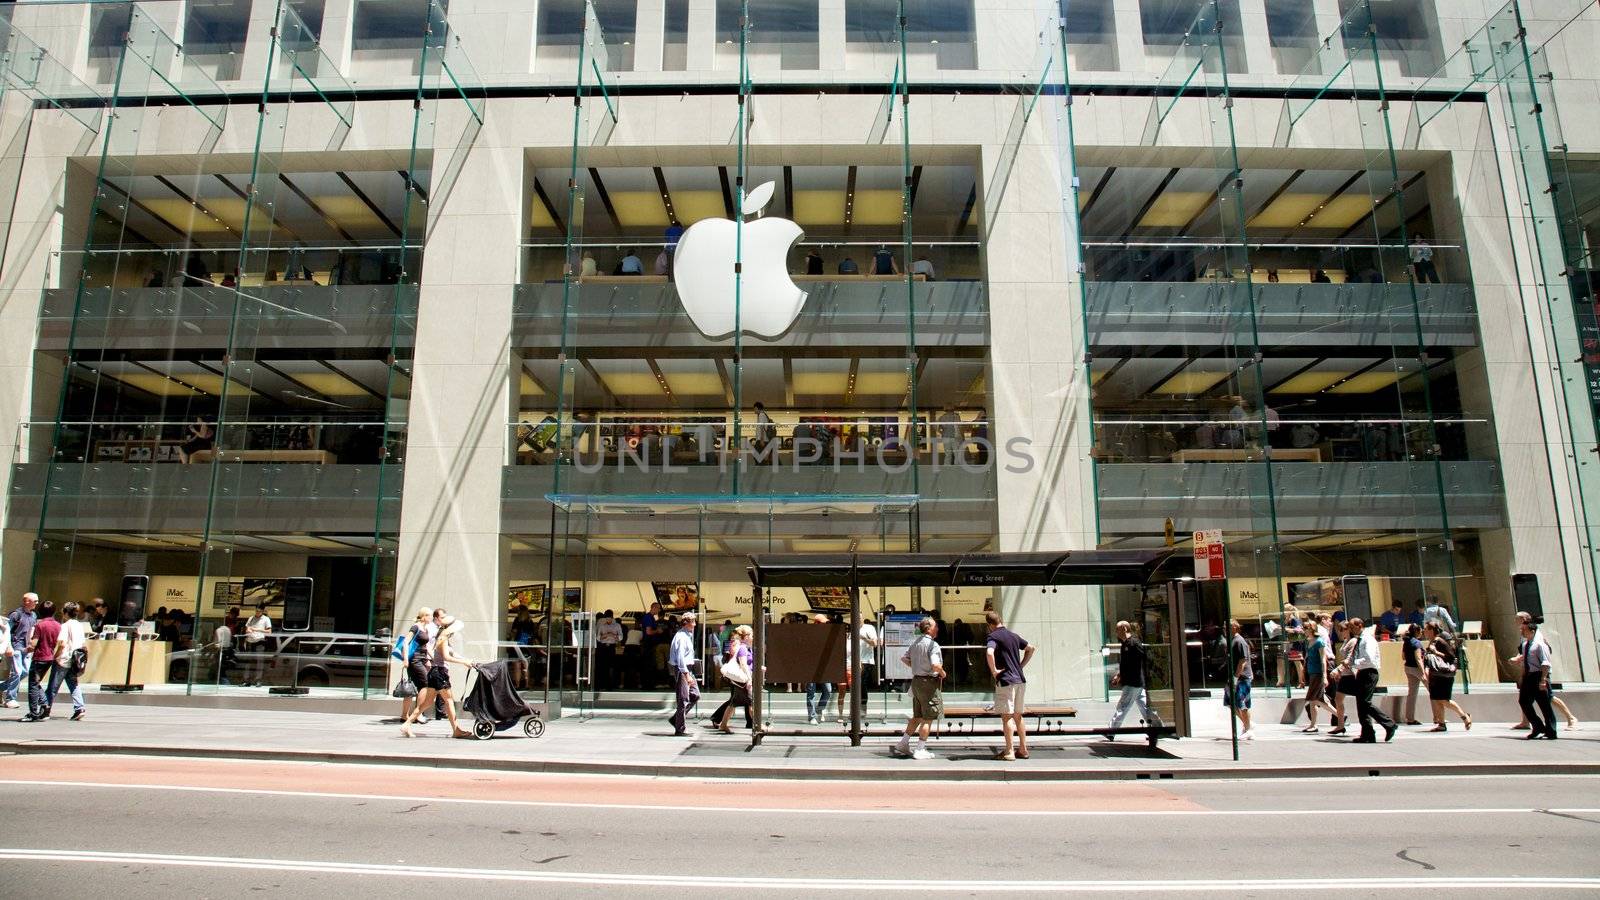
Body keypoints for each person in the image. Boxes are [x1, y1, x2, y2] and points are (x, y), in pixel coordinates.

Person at [399, 609, 472, 739]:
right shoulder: (443, 638)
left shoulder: (442, 637)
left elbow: (451, 653)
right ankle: (456, 730)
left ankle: (407, 723)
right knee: (449, 700)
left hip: (435, 672)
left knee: (427, 703)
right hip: (439, 673)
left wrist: (465, 660)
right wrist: (463, 663)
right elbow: (446, 657)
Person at [1334, 618, 1396, 743]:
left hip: (1369, 672)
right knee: (1361, 704)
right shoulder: (1359, 640)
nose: (1350, 630)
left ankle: (1389, 724)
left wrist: (1354, 662)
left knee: (1365, 703)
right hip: (1362, 672)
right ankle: (1368, 734)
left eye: (1352, 627)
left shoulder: (1367, 640)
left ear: (1359, 625)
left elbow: (1369, 658)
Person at [892, 617, 944, 760]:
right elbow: (935, 665)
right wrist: (942, 672)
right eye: (935, 626)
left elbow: (904, 658)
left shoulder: (915, 643)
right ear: (929, 628)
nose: (937, 628)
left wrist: (915, 667)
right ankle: (920, 748)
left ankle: (903, 743)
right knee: (928, 718)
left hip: (916, 681)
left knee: (917, 716)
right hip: (928, 683)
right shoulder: (933, 645)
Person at [983, 611, 1033, 761]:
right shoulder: (1013, 635)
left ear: (989, 625)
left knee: (1007, 717)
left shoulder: (993, 636)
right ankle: (1023, 749)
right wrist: (1020, 665)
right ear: (1000, 620)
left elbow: (989, 652)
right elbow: (1031, 648)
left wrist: (994, 671)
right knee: (1018, 716)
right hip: (1020, 680)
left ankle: (1009, 751)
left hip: (1006, 680)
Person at [1107, 620, 1155, 740]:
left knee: (1122, 707)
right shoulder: (1125, 644)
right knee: (1145, 708)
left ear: (1124, 628)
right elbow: (1125, 664)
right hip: (1136, 682)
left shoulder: (1134, 643)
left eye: (1117, 629)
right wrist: (1119, 676)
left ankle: (1111, 731)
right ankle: (1158, 728)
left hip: (1133, 682)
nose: (1116, 632)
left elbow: (1143, 659)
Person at [1512, 615, 1556, 740]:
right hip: (1529, 676)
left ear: (1532, 631)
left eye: (1524, 630)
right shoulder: (1526, 645)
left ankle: (1551, 730)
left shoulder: (1540, 645)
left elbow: (1546, 663)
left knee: (1544, 704)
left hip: (1539, 675)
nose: (1522, 632)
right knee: (1524, 701)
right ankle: (1538, 726)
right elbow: (1525, 662)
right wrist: (1523, 676)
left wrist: (1543, 680)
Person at [1421, 622, 1470, 732]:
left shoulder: (1439, 641)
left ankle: (1464, 716)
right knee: (1437, 700)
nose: (1424, 631)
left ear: (1432, 630)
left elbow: (1451, 657)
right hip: (1435, 675)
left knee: (1444, 700)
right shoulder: (1432, 641)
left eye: (1426, 629)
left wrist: (1436, 652)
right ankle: (1441, 724)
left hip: (1443, 675)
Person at [46, 602, 87, 721]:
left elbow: (62, 644)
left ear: (65, 612)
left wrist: (55, 657)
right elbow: (83, 644)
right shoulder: (80, 625)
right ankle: (79, 708)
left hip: (63, 659)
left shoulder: (64, 626)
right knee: (73, 684)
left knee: (52, 687)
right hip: (75, 660)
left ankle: (46, 708)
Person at [710, 625, 754, 733]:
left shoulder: (745, 647)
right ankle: (758, 725)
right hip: (742, 680)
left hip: (741, 680)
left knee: (733, 703)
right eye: (751, 635)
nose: (753, 637)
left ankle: (723, 724)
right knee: (751, 703)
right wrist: (749, 679)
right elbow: (743, 664)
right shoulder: (742, 647)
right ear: (747, 636)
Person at [23, 600, 60, 721]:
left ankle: (34, 713)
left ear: (40, 611)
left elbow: (34, 643)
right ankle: (44, 705)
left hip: (39, 657)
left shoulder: (40, 625)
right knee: (36, 683)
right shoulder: (57, 625)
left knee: (33, 685)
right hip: (50, 657)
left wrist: (27, 648)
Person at [1298, 622, 1336, 733]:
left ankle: (1339, 715)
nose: (1304, 630)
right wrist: (1303, 672)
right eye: (1303, 628)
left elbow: (1323, 660)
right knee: (1314, 701)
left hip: (1318, 673)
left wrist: (1324, 676)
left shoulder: (1319, 642)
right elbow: (1306, 658)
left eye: (1306, 628)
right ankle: (1313, 725)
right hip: (1311, 672)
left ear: (1312, 628)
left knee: (1314, 699)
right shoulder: (1308, 642)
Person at [4, 593, 39, 708]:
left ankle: (2, 688)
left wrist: (31, 646)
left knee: (25, 671)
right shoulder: (16, 615)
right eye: (35, 601)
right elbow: (7, 631)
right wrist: (8, 646)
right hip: (16, 646)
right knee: (17, 672)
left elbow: (32, 631)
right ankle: (10, 698)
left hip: (26, 648)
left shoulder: (33, 615)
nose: (37, 603)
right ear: (27, 601)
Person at [666, 613, 698, 736]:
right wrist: (686, 674)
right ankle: (680, 727)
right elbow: (680, 657)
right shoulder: (681, 637)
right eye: (693, 622)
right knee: (683, 698)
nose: (694, 624)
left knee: (695, 695)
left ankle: (676, 719)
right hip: (683, 670)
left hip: (687, 669)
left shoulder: (686, 635)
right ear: (686, 623)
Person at [398, 608, 432, 723]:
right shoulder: (416, 627)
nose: (431, 618)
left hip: (421, 660)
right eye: (429, 616)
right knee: (424, 685)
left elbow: (425, 647)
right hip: (415, 660)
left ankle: (404, 715)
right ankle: (417, 714)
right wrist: (406, 659)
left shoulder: (425, 629)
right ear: (423, 616)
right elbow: (405, 642)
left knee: (411, 687)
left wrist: (429, 659)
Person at [1225, 620, 1253, 740]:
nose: (1225, 629)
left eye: (1228, 627)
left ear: (1235, 628)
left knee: (1243, 704)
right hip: (1235, 677)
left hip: (1242, 678)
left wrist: (1236, 678)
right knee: (1231, 702)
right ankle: (1248, 725)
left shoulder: (1239, 641)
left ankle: (1248, 729)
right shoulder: (1232, 641)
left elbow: (1243, 661)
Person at [805, 614, 835, 725]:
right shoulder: (809, 635)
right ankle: (812, 716)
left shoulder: (827, 635)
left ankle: (819, 709)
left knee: (828, 690)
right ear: (817, 623)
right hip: (810, 667)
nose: (826, 624)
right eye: (823, 623)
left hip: (824, 667)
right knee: (811, 692)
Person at [1399, 624, 1426, 725]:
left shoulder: (1406, 642)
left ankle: (1410, 718)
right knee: (1433, 693)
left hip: (1408, 668)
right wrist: (1423, 672)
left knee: (1412, 694)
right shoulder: (1417, 643)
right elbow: (1419, 659)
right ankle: (1438, 717)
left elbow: (1403, 657)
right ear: (1417, 632)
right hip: (1417, 669)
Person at [243, 603, 273, 686]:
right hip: (250, 641)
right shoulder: (251, 618)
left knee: (259, 662)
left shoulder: (266, 619)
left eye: (259, 611)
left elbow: (269, 631)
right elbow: (247, 629)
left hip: (260, 641)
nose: (257, 612)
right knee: (248, 662)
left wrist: (257, 629)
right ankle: (246, 680)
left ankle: (258, 680)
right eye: (256, 611)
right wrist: (248, 631)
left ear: (262, 611)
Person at [596, 610, 623, 690]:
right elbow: (598, 638)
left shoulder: (617, 625)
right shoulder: (602, 626)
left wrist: (614, 636)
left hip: (611, 646)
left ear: (612, 618)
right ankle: (603, 684)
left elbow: (621, 636)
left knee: (611, 666)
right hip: (603, 646)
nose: (608, 620)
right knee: (603, 666)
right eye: (607, 619)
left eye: (609, 618)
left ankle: (611, 685)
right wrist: (605, 635)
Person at [212, 615, 235, 685]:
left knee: (220, 672)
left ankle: (226, 684)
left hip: (221, 652)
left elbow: (218, 643)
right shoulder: (228, 630)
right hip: (227, 652)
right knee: (222, 671)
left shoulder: (218, 630)